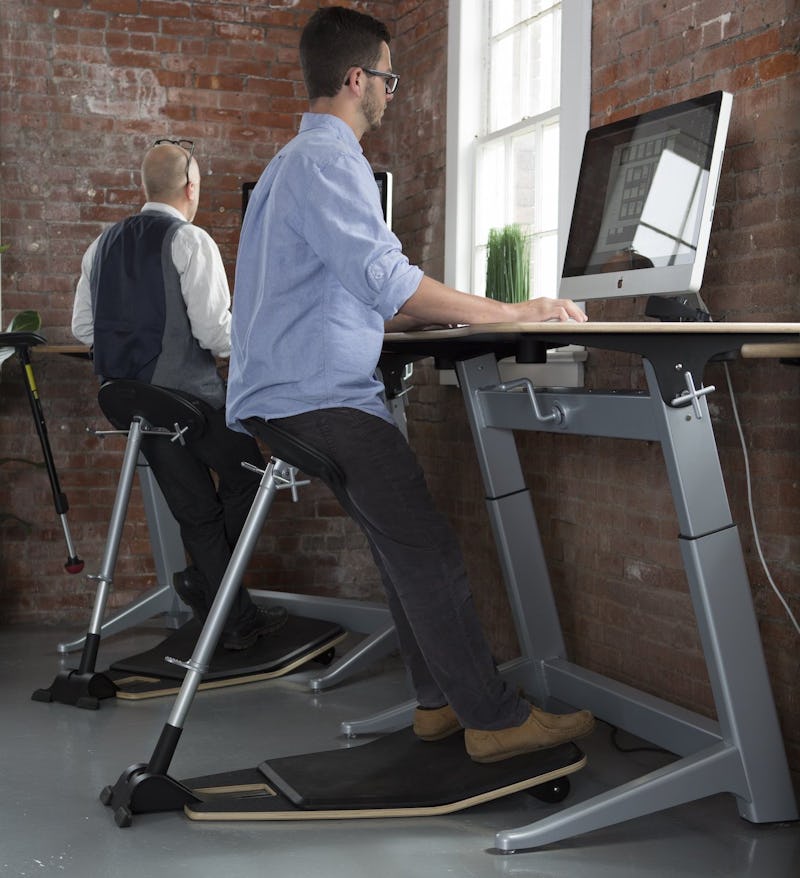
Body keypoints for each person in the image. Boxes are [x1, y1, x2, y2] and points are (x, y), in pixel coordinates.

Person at [226, 6, 594, 763]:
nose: (392, 93)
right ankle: (492, 719)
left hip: (283, 393)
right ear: (357, 79)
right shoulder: (332, 161)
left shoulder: (286, 166)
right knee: (429, 551)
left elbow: (341, 289)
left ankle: (437, 705)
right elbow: (389, 282)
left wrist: (428, 317)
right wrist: (513, 311)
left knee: (404, 547)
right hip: (319, 397)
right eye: (388, 79)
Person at [72, 139, 286, 651]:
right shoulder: (190, 241)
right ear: (191, 187)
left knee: (197, 513)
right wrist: (269, 339)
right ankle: (212, 591)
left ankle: (222, 606)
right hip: (189, 399)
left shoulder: (100, 244)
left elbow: (84, 329)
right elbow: (216, 335)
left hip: (131, 403)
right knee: (250, 481)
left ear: (144, 187)